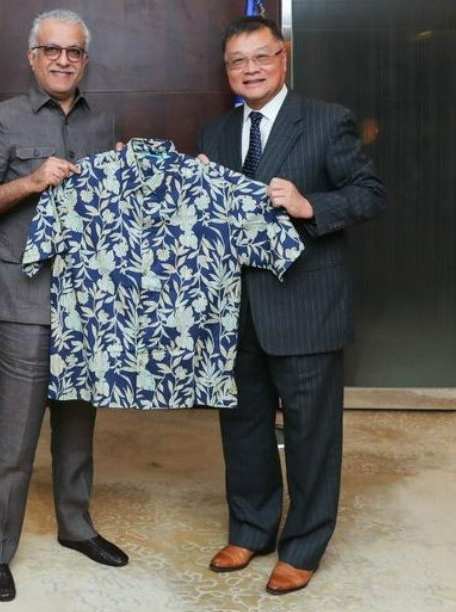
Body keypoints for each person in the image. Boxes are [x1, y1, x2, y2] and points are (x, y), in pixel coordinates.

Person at [197, 15, 385, 595]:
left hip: (306, 305)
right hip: (235, 309)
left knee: (311, 433)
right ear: (227, 69)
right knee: (243, 425)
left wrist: (310, 207)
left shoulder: (328, 121)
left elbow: (370, 194)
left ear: (284, 57)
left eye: (260, 57)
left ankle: (303, 545)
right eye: (237, 61)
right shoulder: (215, 134)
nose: (249, 69)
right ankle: (251, 529)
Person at [0, 9, 127, 603]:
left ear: (85, 60)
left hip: (87, 305)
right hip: (24, 300)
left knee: (79, 426)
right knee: (16, 434)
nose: (62, 60)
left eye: (74, 52)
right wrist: (30, 182)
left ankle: (76, 528)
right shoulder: (3, 120)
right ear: (33, 57)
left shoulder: (104, 123)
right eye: (51, 50)